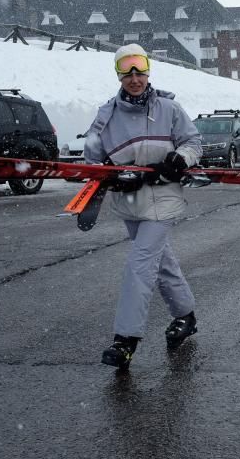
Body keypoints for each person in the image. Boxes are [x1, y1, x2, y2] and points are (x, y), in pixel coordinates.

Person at [83, 44, 204, 370]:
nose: (134, 77)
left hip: (164, 199)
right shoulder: (107, 114)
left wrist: (180, 159)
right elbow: (92, 156)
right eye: (127, 70)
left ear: (149, 70)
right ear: (119, 73)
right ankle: (185, 316)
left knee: (140, 264)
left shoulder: (169, 108)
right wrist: (115, 177)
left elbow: (193, 143)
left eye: (140, 69)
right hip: (130, 201)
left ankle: (125, 340)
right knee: (161, 263)